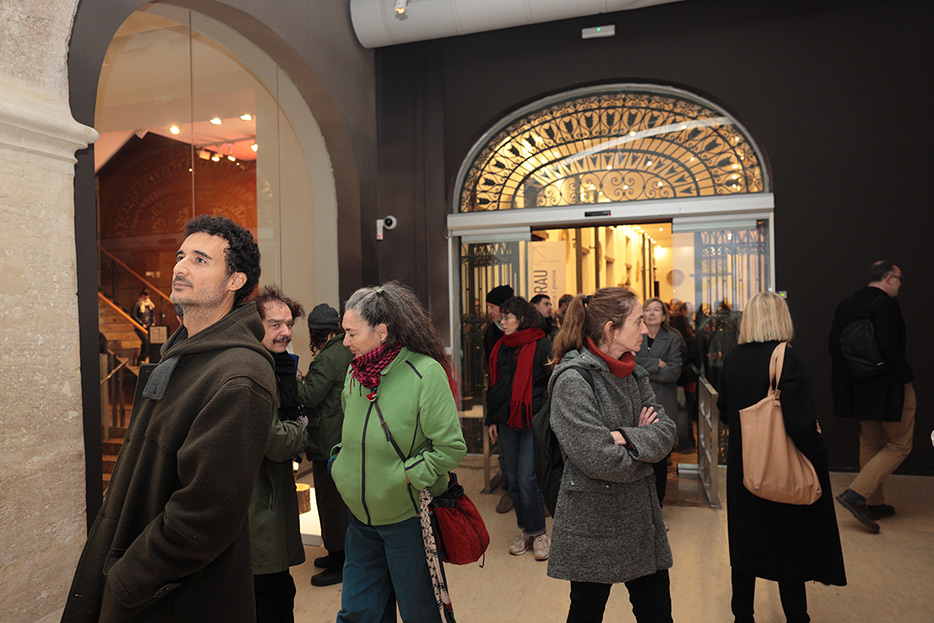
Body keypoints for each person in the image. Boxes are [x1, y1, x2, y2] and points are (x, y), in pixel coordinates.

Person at [62, 215, 276, 622]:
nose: (180, 267)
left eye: (200, 260)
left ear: (235, 281)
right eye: (181, 256)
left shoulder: (238, 376)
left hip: (172, 598)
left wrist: (129, 579)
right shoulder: (181, 355)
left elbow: (206, 515)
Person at [331, 282, 467, 623]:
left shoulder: (425, 373)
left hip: (408, 521)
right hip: (360, 520)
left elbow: (450, 447)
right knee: (357, 612)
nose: (345, 342)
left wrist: (405, 477)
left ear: (381, 332)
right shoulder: (354, 373)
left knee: (420, 612)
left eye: (351, 333)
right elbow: (351, 431)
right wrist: (340, 463)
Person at [548, 288, 676, 623]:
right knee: (586, 612)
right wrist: (643, 448)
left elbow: (666, 432)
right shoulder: (573, 380)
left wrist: (623, 437)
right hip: (592, 524)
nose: (645, 329)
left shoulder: (633, 372)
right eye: (637, 322)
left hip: (639, 520)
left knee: (657, 612)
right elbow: (598, 457)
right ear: (611, 329)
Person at [718, 292, 846, 623]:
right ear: (781, 318)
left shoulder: (733, 358)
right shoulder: (788, 357)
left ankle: (742, 615)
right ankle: (796, 616)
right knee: (788, 546)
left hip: (745, 468)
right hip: (781, 465)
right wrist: (819, 453)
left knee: (744, 546)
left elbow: (724, 412)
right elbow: (801, 422)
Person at [829, 261, 914, 533]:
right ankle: (857, 495)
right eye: (899, 279)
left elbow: (833, 346)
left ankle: (874, 504)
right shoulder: (886, 305)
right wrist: (905, 377)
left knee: (870, 443)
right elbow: (891, 347)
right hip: (888, 387)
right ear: (888, 278)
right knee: (899, 445)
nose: (900, 284)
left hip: (857, 387)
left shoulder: (845, 305)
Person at [250, 286, 310, 623]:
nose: (285, 332)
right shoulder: (257, 372)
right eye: (274, 325)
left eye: (288, 324)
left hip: (272, 497)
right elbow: (275, 440)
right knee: (272, 596)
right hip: (260, 504)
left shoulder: (280, 367)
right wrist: (301, 428)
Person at [486, 296, 552, 560]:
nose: (502, 322)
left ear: (521, 319)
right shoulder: (500, 347)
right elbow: (494, 386)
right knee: (512, 480)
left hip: (531, 422)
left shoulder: (542, 344)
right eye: (501, 317)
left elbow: (552, 384)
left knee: (527, 479)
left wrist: (540, 411)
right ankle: (526, 531)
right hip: (506, 421)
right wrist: (491, 419)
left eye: (507, 317)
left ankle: (539, 533)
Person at [297, 303, 354, 587]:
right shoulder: (347, 350)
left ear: (317, 333)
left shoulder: (327, 358)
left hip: (327, 439)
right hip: (343, 435)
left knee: (331, 503)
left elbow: (310, 396)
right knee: (339, 501)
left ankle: (340, 561)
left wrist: (294, 381)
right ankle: (337, 554)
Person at [633, 298, 683, 521]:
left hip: (663, 402)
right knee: (640, 458)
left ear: (664, 316)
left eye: (657, 310)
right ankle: (642, 511)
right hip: (638, 402)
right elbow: (630, 364)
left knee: (660, 460)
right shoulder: (635, 334)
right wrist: (657, 363)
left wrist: (643, 364)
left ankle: (658, 511)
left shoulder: (672, 338)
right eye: (648, 310)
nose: (652, 314)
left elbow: (674, 372)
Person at [484, 284, 515, 514]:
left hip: (526, 404)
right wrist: (492, 416)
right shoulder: (490, 333)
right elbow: (491, 375)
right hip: (502, 403)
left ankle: (534, 494)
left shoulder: (531, 334)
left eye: (492, 306)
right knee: (505, 453)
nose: (489, 312)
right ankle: (509, 490)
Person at [131, 287, 155, 363]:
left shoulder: (150, 304)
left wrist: (153, 322)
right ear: (142, 295)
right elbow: (134, 315)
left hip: (149, 326)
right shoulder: (137, 304)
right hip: (140, 327)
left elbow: (152, 315)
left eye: (147, 295)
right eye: (145, 295)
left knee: (150, 342)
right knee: (145, 341)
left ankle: (144, 358)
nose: (146, 297)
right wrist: (141, 323)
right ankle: (141, 359)